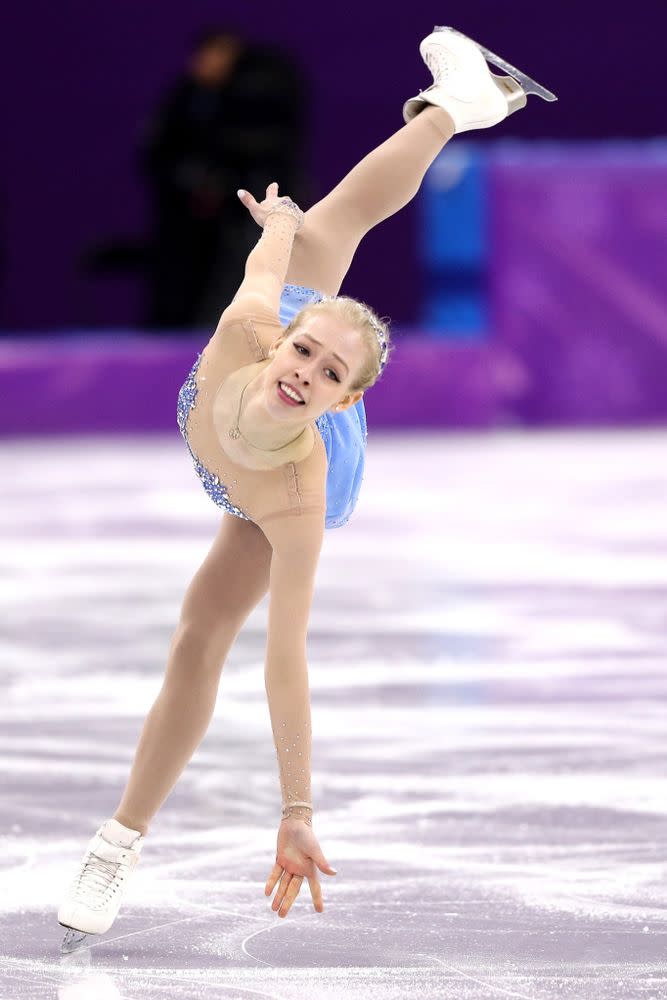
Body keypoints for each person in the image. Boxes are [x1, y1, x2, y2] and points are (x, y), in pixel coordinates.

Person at [57, 26, 556, 950]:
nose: (306, 371)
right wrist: (282, 230)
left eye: (328, 375)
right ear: (282, 339)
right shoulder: (247, 335)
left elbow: (285, 662)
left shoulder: (295, 497)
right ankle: (459, 105)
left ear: (344, 400)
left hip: (276, 482)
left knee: (201, 636)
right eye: (305, 350)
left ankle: (116, 845)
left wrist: (296, 807)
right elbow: (262, 281)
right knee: (329, 225)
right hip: (252, 368)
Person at [142, 26, 308, 328]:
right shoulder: (190, 97)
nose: (200, 65)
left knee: (239, 272)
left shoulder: (257, 94)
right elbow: (160, 151)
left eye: (211, 55)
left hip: (245, 211)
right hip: (197, 222)